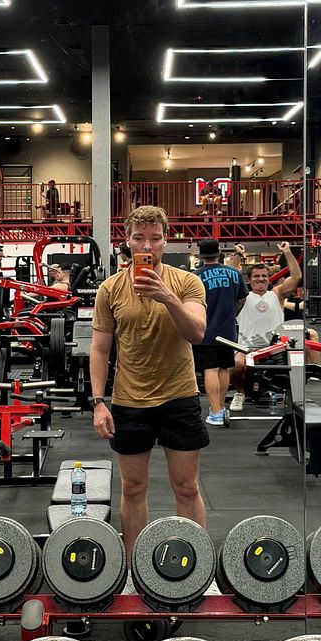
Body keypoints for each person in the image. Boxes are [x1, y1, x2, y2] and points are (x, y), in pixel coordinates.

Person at [90, 205, 210, 586]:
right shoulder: (110, 289)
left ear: (165, 240)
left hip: (179, 397)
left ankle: (195, 567)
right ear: (127, 241)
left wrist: (167, 298)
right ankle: (133, 571)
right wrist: (98, 402)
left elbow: (197, 334)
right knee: (132, 488)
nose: (147, 245)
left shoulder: (186, 283)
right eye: (139, 238)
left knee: (187, 488)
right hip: (129, 401)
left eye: (155, 238)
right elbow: (99, 350)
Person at [229, 242, 302, 410]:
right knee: (236, 365)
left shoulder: (276, 294)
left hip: (275, 346)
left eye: (264, 276)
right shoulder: (243, 297)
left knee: (298, 360)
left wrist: (287, 252)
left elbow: (296, 277)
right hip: (248, 347)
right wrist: (238, 255)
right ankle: (240, 393)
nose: (261, 279)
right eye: (256, 276)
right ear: (249, 279)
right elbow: (229, 276)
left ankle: (292, 397)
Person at [193, 238, 248, 426]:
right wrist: (232, 314)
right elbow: (242, 299)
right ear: (218, 253)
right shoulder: (234, 273)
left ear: (201, 255)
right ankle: (220, 408)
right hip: (227, 329)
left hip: (206, 330)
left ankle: (216, 411)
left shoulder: (196, 276)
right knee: (224, 368)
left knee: (211, 368)